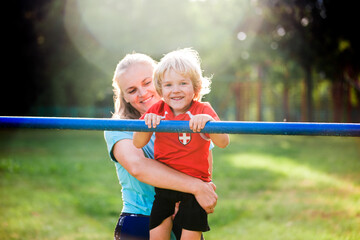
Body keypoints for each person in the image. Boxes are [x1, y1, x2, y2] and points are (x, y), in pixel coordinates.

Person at [104, 52, 218, 240]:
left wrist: (188, 196)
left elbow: (203, 165)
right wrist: (197, 188)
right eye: (132, 90)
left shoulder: (190, 119)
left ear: (160, 80)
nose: (142, 93)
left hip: (184, 215)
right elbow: (138, 166)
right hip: (143, 218)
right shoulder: (119, 126)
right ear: (124, 97)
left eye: (147, 82)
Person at [133, 48, 230, 240]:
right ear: (160, 90)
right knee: (158, 234)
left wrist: (208, 124)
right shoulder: (157, 110)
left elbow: (223, 142)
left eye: (183, 83)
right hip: (166, 186)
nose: (175, 90)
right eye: (168, 85)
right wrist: (148, 123)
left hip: (195, 189)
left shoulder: (203, 110)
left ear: (195, 87)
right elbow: (137, 143)